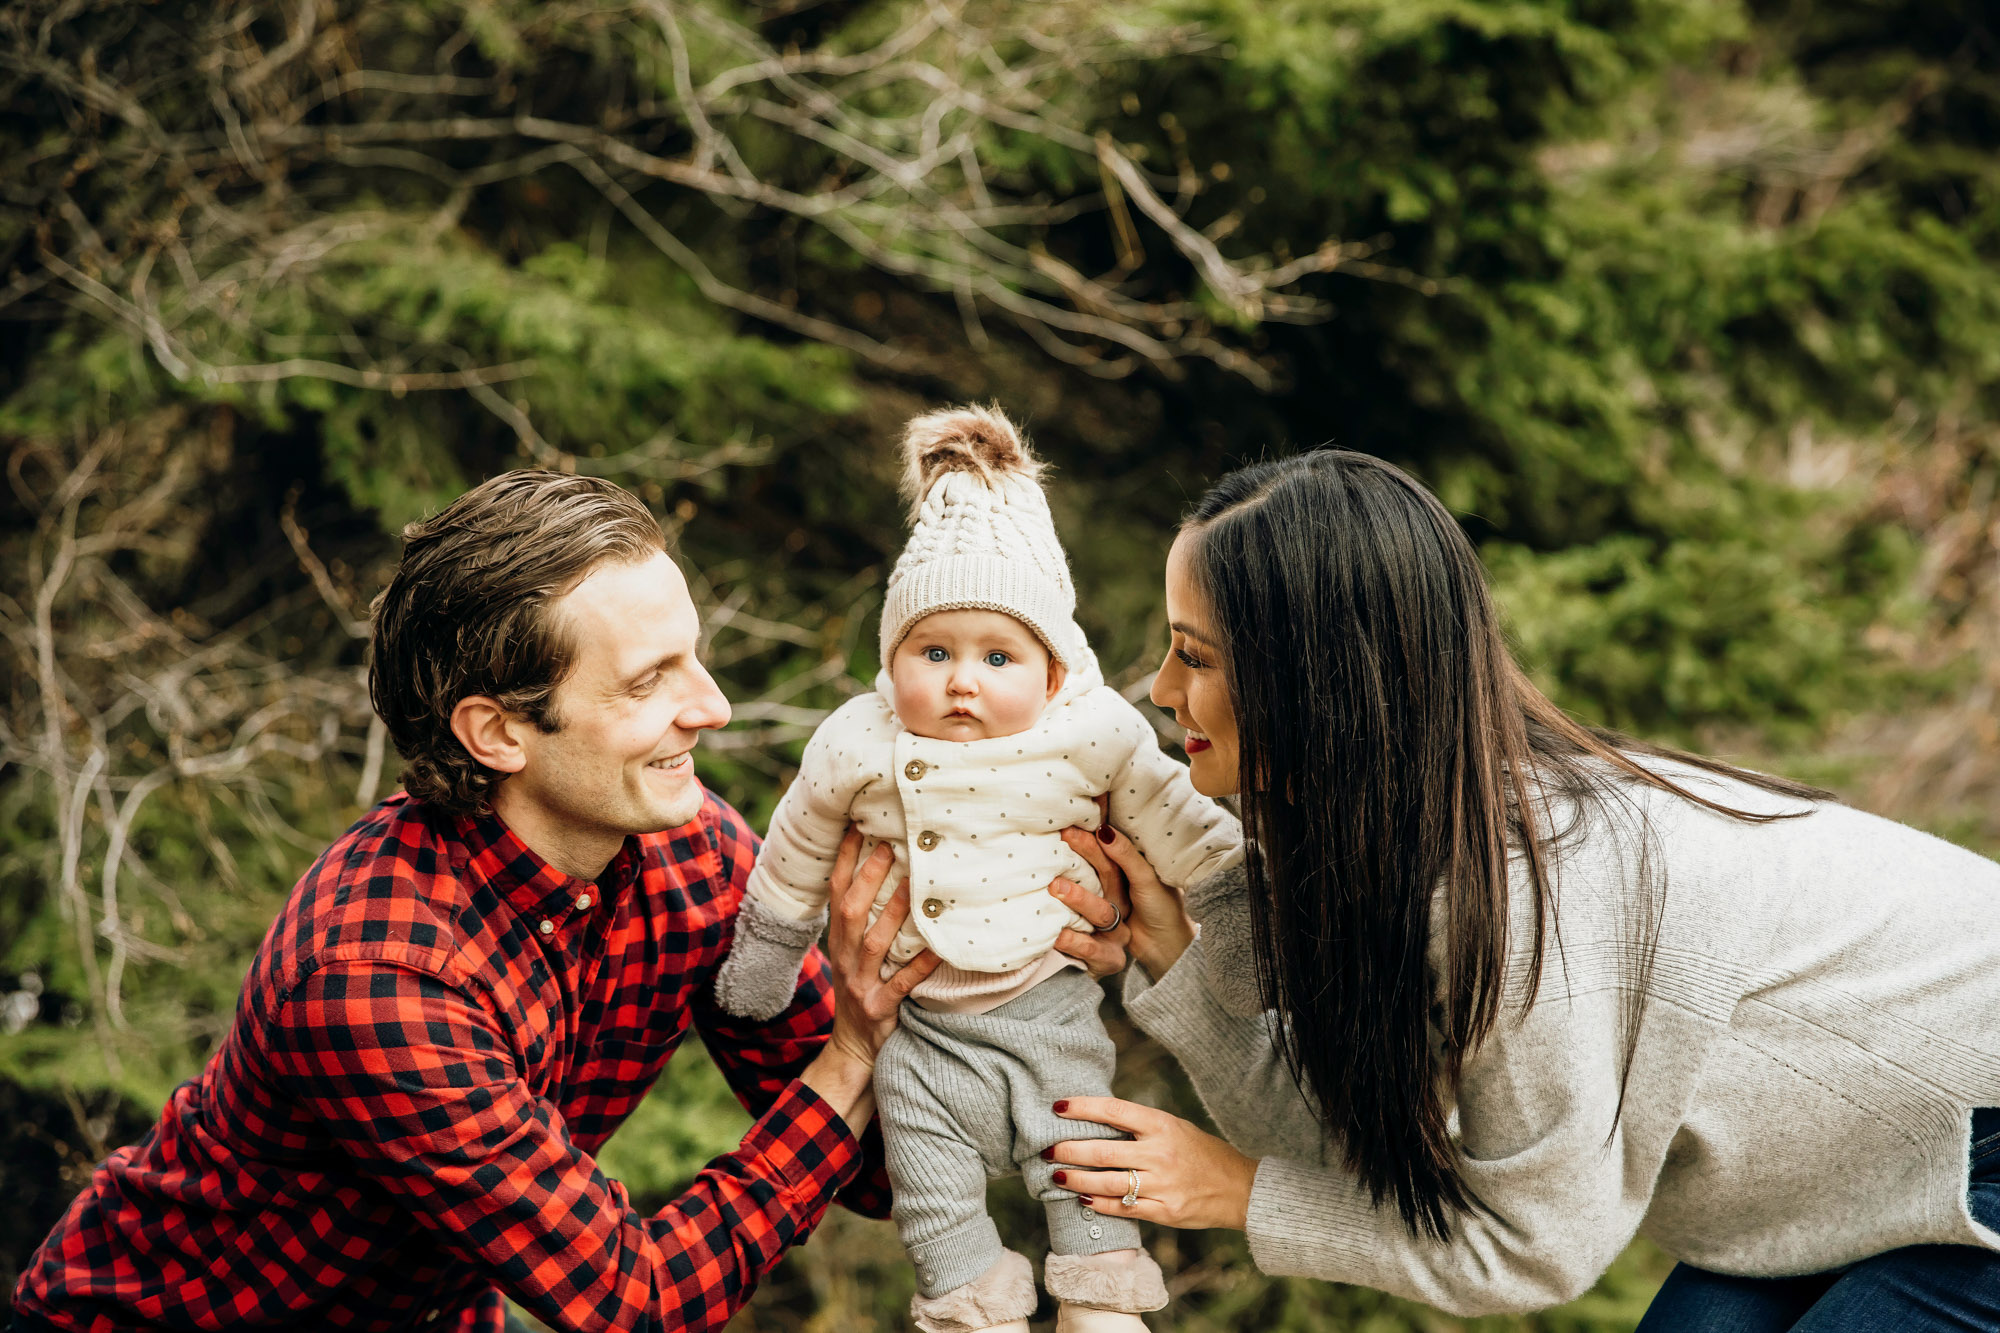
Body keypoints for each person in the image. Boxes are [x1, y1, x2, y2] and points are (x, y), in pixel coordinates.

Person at [1036, 450, 2000, 1331]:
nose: (1159, 688)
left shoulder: (1536, 898)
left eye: (1194, 655)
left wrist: (1237, 1190)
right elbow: (1366, 1157)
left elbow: (1529, 1244)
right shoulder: (1411, 845)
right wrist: (1175, 954)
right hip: (1865, 1168)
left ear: (1312, 678)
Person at [9, 471, 944, 1333]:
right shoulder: (375, 976)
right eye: (647, 681)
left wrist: (1062, 1093)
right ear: (497, 732)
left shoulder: (685, 855)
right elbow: (633, 1298)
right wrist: (853, 1051)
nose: (713, 707)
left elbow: (878, 1165)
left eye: (692, 659)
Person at [713, 406, 1239, 1333]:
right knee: (930, 1185)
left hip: (1048, 1005)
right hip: (916, 1029)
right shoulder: (859, 741)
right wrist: (768, 949)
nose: (963, 680)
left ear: (1051, 669)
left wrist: (1237, 893)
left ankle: (1099, 1296)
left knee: (1085, 1151)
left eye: (998, 656)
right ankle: (968, 1309)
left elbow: (1176, 816)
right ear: (892, 658)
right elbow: (794, 844)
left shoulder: (1093, 732)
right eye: (934, 652)